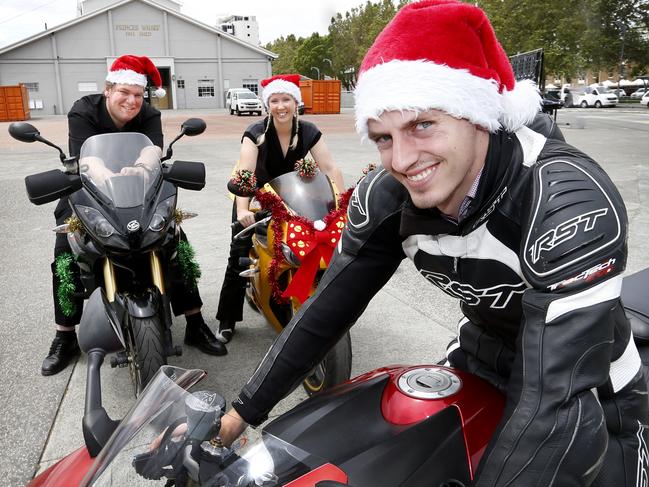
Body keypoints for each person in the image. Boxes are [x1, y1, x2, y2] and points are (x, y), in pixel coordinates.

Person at [216, 2, 649, 485]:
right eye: (383, 137)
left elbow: (554, 398)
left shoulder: (565, 200)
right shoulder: (389, 195)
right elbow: (325, 311)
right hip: (478, 359)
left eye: (422, 125)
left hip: (591, 391)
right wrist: (239, 416)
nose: (401, 159)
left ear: (477, 114)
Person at [42, 54, 225, 377]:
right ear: (108, 89)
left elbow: (151, 150)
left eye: (138, 95)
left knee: (173, 238)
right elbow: (86, 156)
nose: (132, 101)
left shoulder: (149, 114)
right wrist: (103, 172)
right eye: (124, 93)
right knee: (65, 249)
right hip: (89, 184)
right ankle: (65, 334)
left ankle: (195, 322)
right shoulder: (83, 109)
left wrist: (141, 167)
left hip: (139, 186)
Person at [215, 74, 344, 344]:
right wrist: (242, 210)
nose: (281, 106)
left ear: (296, 103)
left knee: (313, 245)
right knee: (238, 251)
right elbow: (245, 172)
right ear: (268, 105)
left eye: (286, 99)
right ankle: (227, 320)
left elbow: (330, 168)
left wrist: (340, 204)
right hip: (256, 195)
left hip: (294, 194)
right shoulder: (255, 133)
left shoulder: (308, 130)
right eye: (275, 100)